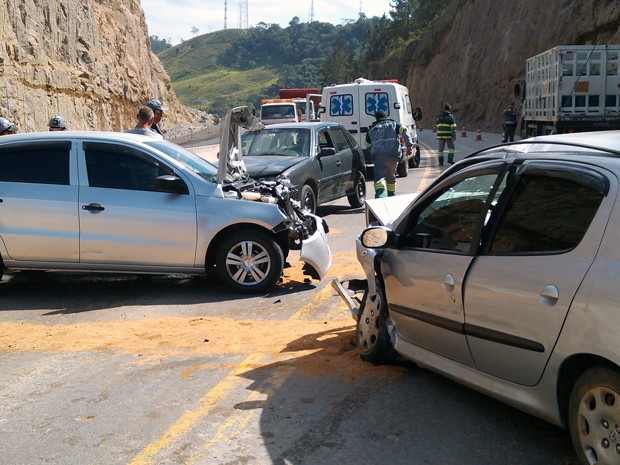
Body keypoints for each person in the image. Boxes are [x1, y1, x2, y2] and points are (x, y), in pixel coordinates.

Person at [365, 110, 413, 198]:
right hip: (393, 155)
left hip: (379, 156)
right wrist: (409, 145)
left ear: (376, 118)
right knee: (391, 176)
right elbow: (404, 129)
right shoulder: (394, 124)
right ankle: (392, 197)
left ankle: (380, 197)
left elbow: (367, 144)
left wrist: (373, 151)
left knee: (379, 178)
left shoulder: (371, 129)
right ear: (386, 117)